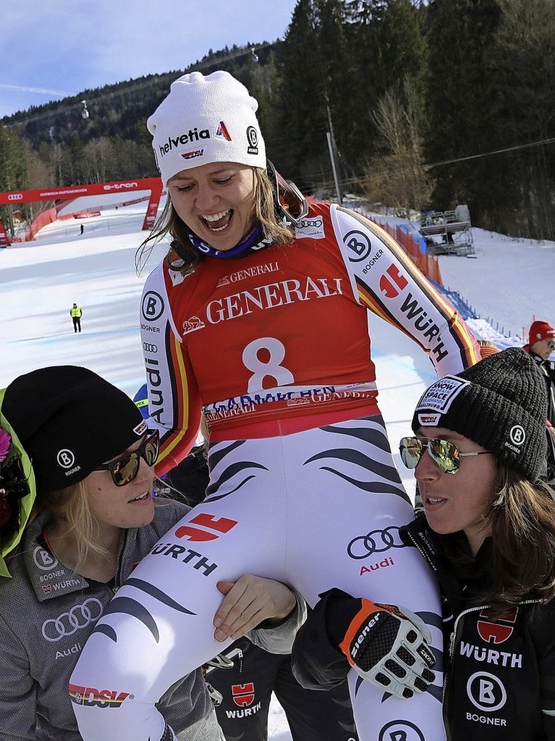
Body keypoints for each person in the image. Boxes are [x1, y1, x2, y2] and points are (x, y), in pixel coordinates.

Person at [70, 70, 481, 741]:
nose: (204, 201)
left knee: (404, 717)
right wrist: (82, 481)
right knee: (104, 684)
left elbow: (452, 342)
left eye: (222, 176)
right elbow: (172, 434)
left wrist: (466, 453)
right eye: (184, 184)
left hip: (363, 521)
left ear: (256, 164)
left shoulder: (337, 235)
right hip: (237, 519)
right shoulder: (166, 288)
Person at [0, 366, 304, 740]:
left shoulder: (173, 528)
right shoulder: (3, 609)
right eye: (122, 468)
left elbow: (280, 640)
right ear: (65, 486)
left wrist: (277, 607)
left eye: (147, 450)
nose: (148, 474)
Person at [292, 348, 555, 739]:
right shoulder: (413, 554)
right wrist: (342, 623)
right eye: (419, 447)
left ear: (507, 464)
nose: (422, 471)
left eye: (446, 451)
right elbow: (307, 673)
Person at [133, 384, 357, 741]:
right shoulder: (171, 480)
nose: (220, 420)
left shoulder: (296, 457)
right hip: (230, 644)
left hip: (307, 628)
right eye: (207, 411)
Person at [523, 320, 555, 471]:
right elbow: (524, 401)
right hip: (542, 438)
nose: (553, 349)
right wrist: (546, 427)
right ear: (536, 340)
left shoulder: (545, 365)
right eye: (549, 343)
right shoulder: (524, 364)